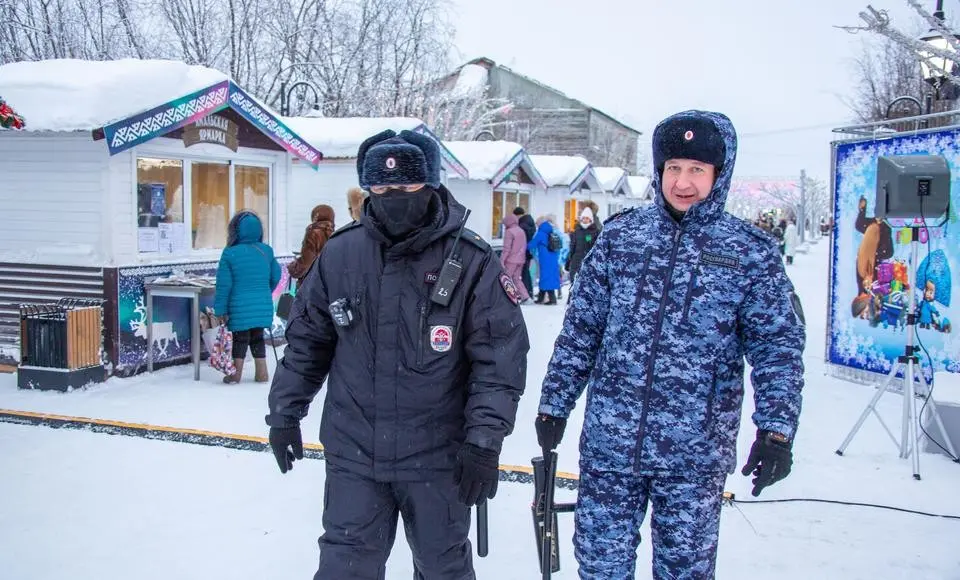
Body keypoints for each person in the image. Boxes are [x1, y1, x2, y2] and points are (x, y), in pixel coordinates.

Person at [534, 110, 806, 579]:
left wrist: (776, 430)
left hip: (694, 458)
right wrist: (554, 404)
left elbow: (777, 350)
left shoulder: (750, 253)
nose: (683, 182)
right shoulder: (621, 238)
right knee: (600, 567)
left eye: (697, 170)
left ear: (718, 175)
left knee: (685, 573)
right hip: (610, 448)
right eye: (673, 168)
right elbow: (581, 331)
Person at [265, 129, 529, 580]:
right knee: (345, 567)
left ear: (429, 186)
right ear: (368, 189)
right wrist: (284, 413)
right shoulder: (340, 254)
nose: (394, 198)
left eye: (407, 188)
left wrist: (484, 442)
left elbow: (498, 360)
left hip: (438, 458)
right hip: (354, 454)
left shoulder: (470, 260)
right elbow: (308, 341)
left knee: (443, 568)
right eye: (383, 189)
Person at [214, 210, 282, 384]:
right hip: (263, 303)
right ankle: (262, 373)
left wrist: (220, 309)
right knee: (258, 336)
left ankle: (236, 374)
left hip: (239, 304)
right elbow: (276, 275)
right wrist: (264, 291)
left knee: (240, 337)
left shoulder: (230, 254)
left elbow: (224, 285)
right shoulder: (267, 251)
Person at [287, 204, 335, 286]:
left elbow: (306, 264)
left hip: (311, 285)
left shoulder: (312, 233)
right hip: (328, 284)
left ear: (315, 217)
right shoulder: (335, 234)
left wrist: (292, 268)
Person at [565, 205, 601, 290]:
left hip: (588, 262)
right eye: (583, 218)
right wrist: (568, 261)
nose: (585, 220)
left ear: (590, 219)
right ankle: (572, 300)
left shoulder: (595, 231)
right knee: (574, 282)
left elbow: (596, 248)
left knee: (586, 284)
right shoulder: (577, 231)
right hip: (576, 261)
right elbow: (572, 247)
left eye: (587, 218)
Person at [528, 215, 561, 305]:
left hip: (545, 259)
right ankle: (541, 297)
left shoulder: (540, 234)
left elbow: (531, 245)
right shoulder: (551, 231)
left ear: (540, 224)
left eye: (537, 224)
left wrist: (523, 247)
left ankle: (552, 299)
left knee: (546, 278)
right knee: (548, 278)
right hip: (553, 258)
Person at [501, 212, 531, 304]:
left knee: (506, 279)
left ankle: (508, 298)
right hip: (521, 259)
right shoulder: (521, 230)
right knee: (516, 279)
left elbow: (507, 248)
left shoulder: (509, 232)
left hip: (511, 260)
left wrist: (502, 260)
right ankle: (525, 296)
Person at [514, 206, 537, 297]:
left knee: (523, 273)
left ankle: (526, 293)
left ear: (518, 215)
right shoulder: (530, 223)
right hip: (528, 252)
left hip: (522, 252)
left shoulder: (522, 225)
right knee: (525, 272)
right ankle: (529, 291)